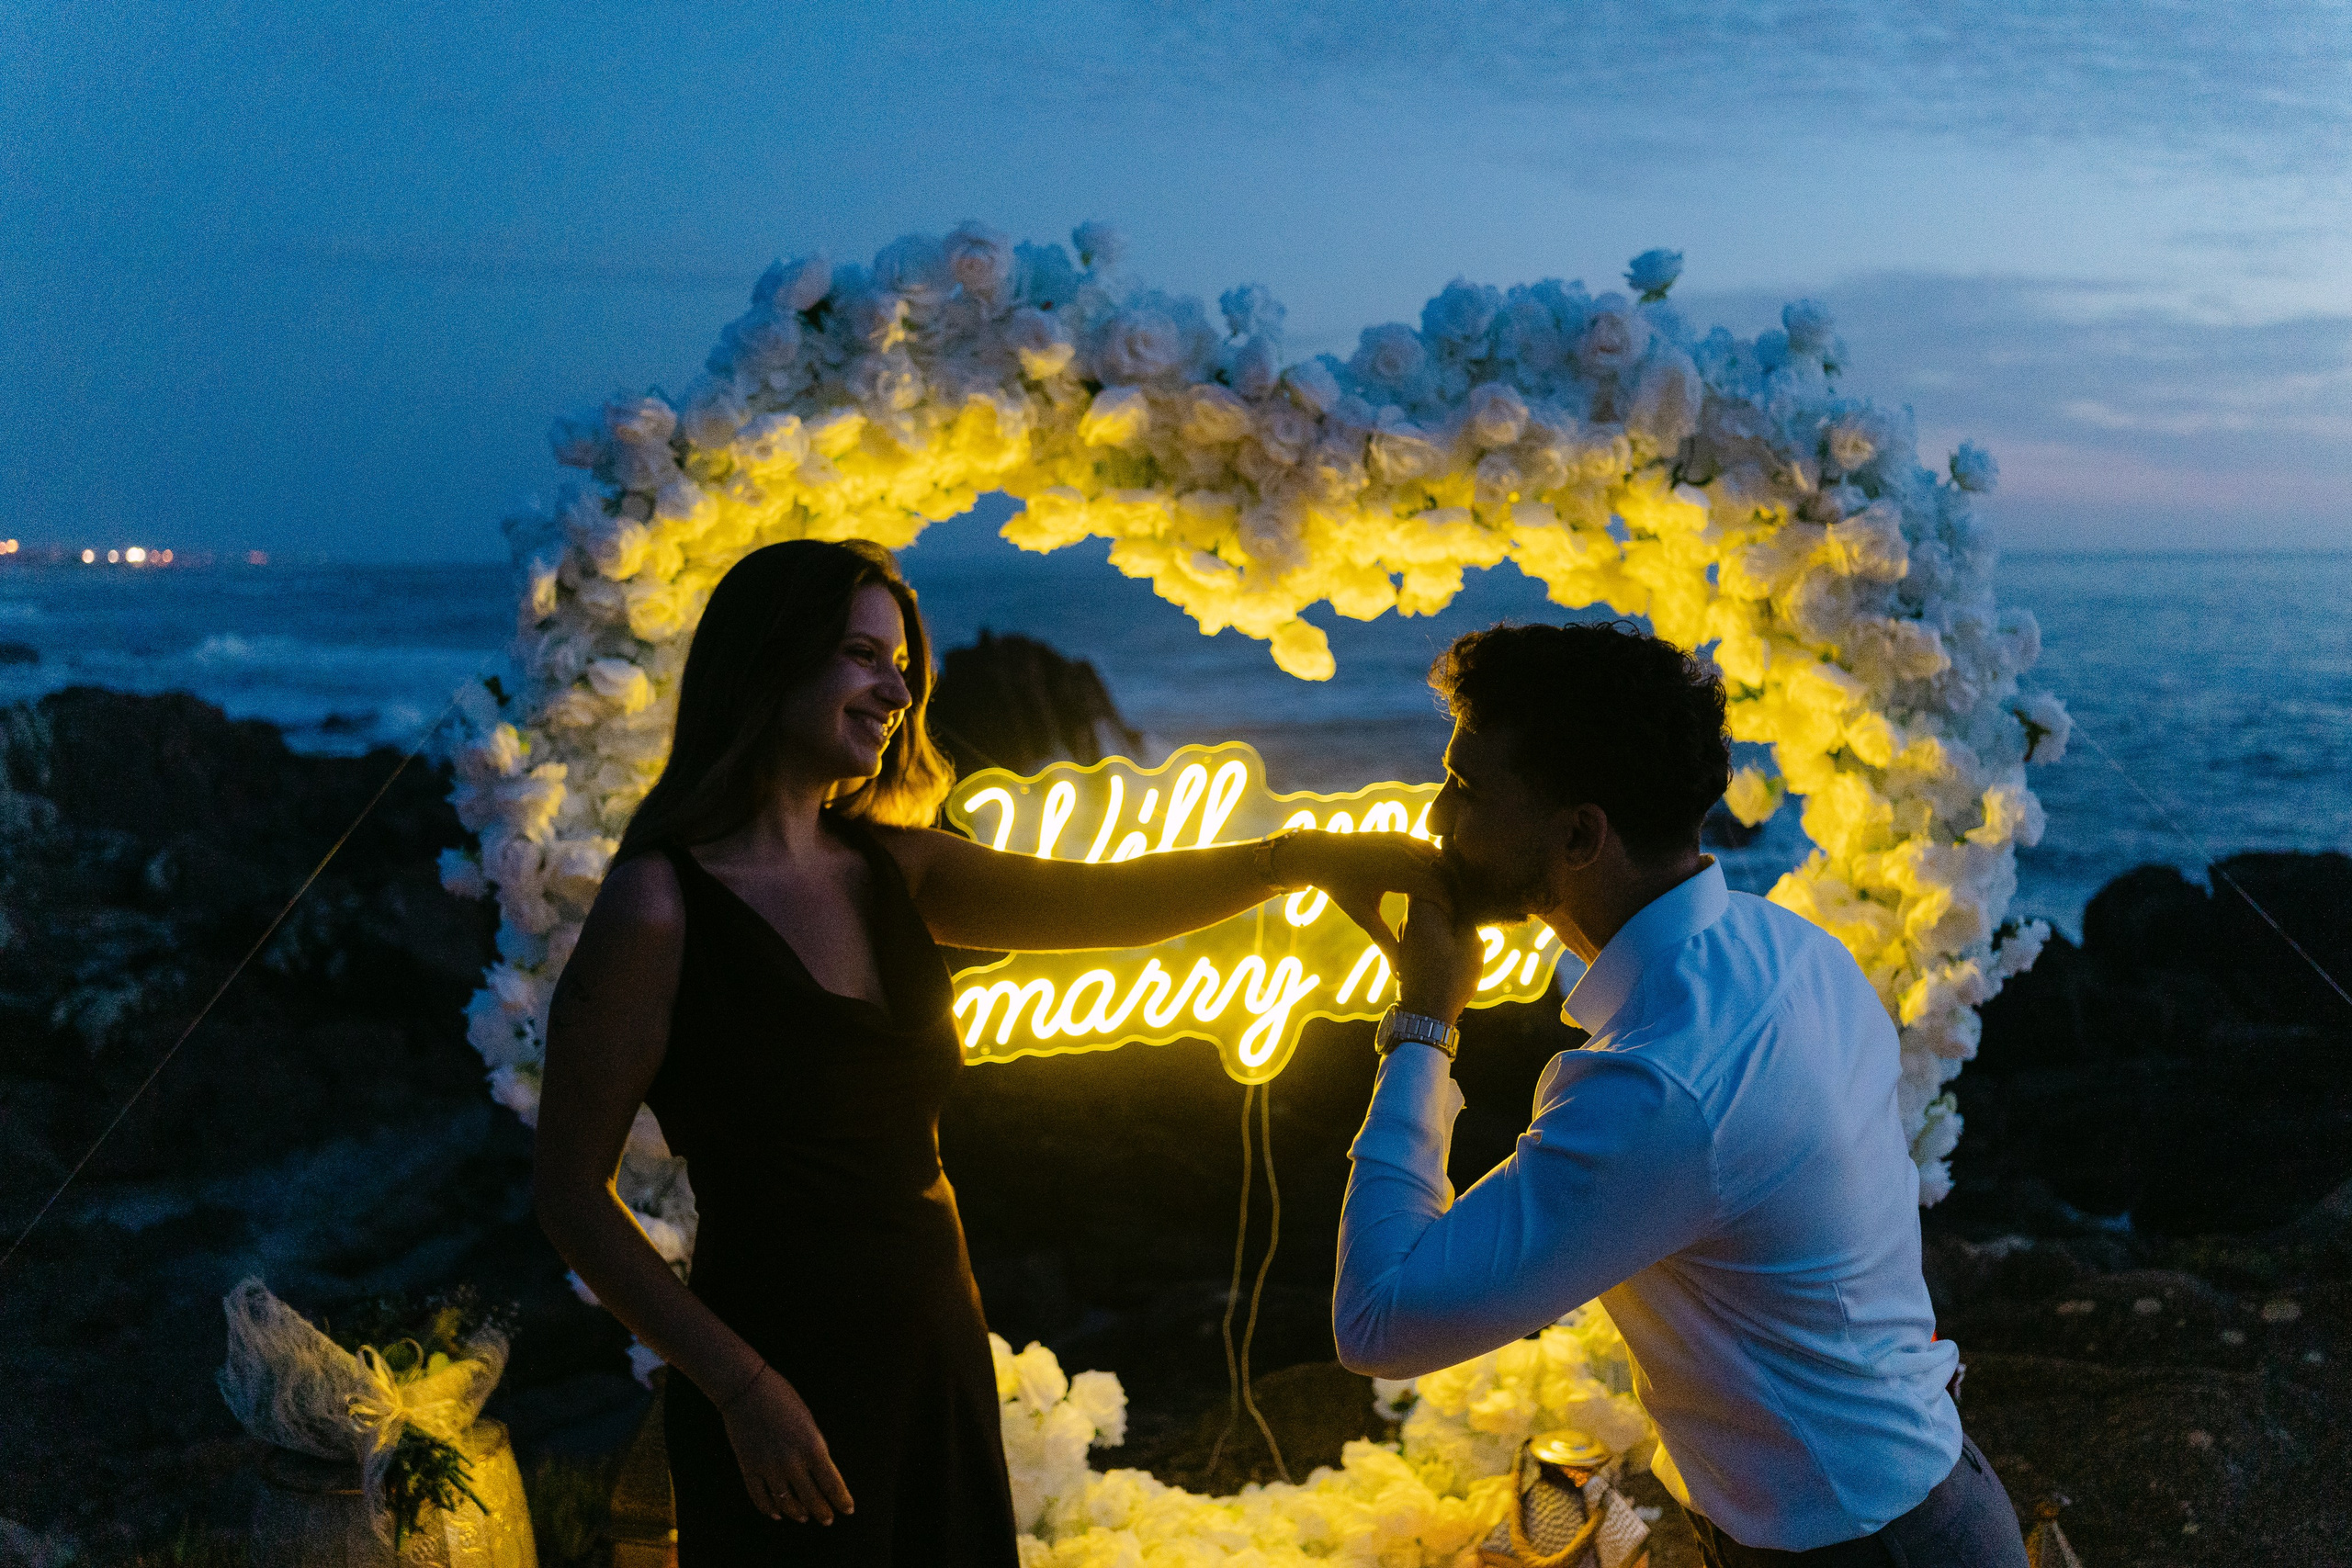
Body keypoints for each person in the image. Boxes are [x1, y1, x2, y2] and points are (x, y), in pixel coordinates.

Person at [533, 539, 1442, 1566]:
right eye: (863, 656)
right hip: (778, 1375)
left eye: (901, 665)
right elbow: (570, 1195)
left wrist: (1300, 857)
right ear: (766, 660)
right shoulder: (658, 906)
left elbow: (1105, 903)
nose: (897, 691)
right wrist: (740, 1388)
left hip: (936, 1345)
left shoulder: (896, 870)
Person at [1331, 621, 2029, 1567]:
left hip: (1860, 1545)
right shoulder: (1791, 949)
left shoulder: (1661, 1082)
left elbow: (1378, 1321)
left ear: (1579, 834)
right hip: (1922, 1494)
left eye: (1466, 788)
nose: (1436, 815)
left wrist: (1423, 1021)